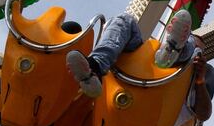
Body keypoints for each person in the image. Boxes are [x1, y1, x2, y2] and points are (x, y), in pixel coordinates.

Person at [65, 8, 195, 98]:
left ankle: (172, 50)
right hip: (127, 61)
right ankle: (94, 69)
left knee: (192, 42)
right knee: (122, 20)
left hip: (161, 67)